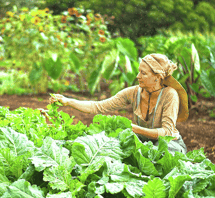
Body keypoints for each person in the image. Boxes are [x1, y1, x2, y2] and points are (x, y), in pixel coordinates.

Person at [49, 53, 189, 155]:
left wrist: (134, 129)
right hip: (143, 141)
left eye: (143, 73)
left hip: (169, 144)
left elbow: (167, 133)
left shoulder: (170, 95)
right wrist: (67, 101)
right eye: (139, 71)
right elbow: (98, 106)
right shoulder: (133, 92)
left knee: (161, 157)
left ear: (157, 78)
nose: (137, 76)